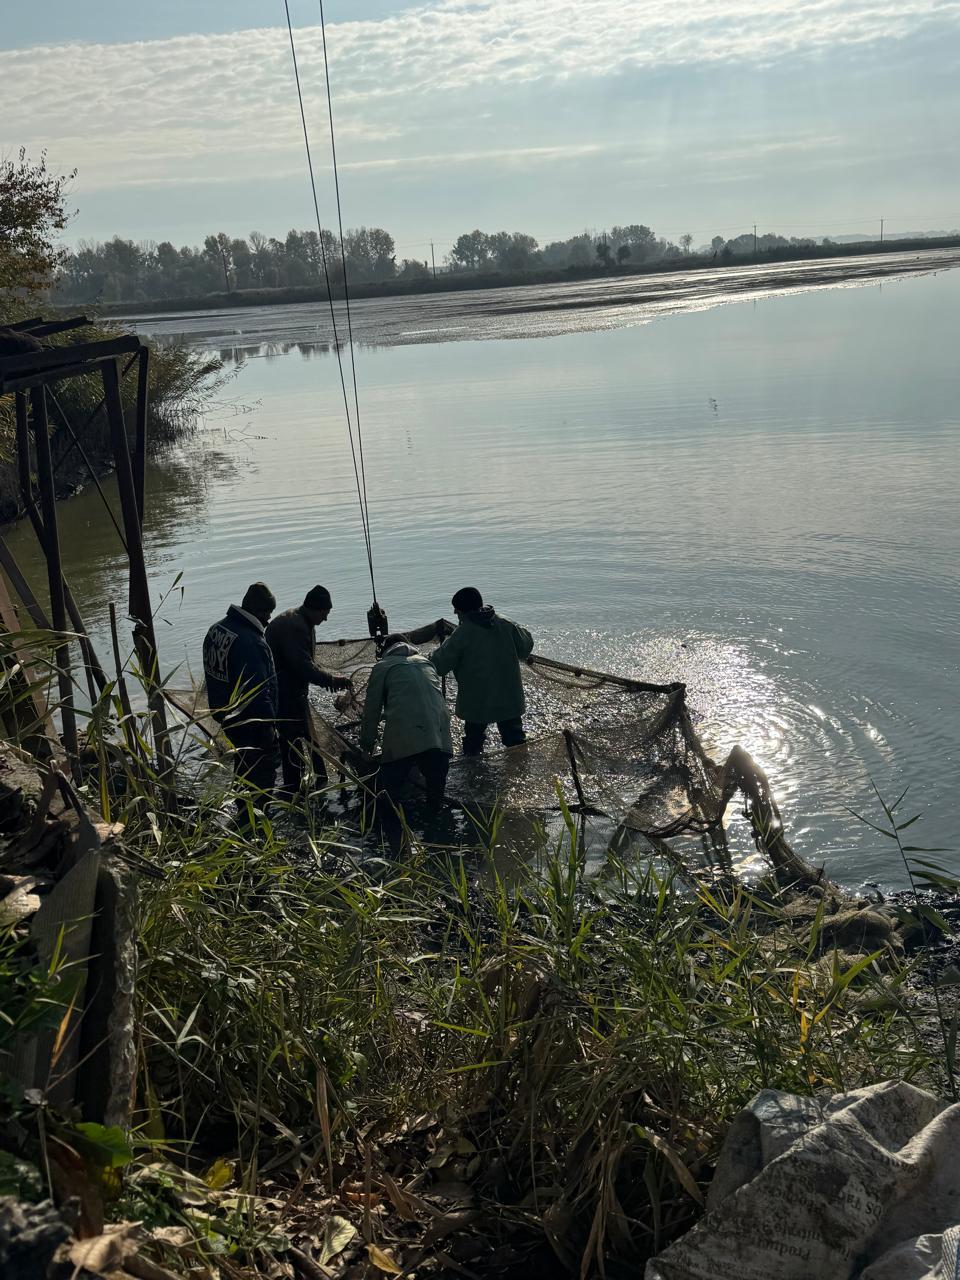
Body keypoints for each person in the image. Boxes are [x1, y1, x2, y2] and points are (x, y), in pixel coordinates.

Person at [360, 634, 453, 850]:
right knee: (435, 794)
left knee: (387, 794)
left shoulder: (382, 667)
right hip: (439, 737)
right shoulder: (426, 663)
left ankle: (397, 847)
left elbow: (371, 711)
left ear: (386, 651)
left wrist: (366, 746)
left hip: (405, 737)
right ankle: (438, 841)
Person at [265, 585, 351, 800]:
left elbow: (305, 664)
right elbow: (303, 666)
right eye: (325, 614)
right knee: (291, 742)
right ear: (314, 609)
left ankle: (316, 781)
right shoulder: (295, 626)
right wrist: (331, 680)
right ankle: (294, 790)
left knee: (308, 737)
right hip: (284, 695)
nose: (326, 619)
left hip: (291, 692)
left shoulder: (300, 620)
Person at [430, 587, 534, 755]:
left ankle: (473, 775)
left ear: (464, 611)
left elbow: (438, 665)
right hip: (509, 698)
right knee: (516, 742)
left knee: (473, 743)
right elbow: (526, 646)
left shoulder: (462, 634)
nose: (455, 613)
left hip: (477, 702)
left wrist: (427, 657)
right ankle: (520, 769)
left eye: (457, 610)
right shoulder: (506, 624)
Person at [202, 582, 280, 804]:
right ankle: (257, 825)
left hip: (226, 716)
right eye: (267, 613)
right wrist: (271, 727)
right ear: (257, 611)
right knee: (262, 779)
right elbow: (258, 691)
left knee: (244, 764)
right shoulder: (251, 642)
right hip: (253, 724)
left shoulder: (216, 630)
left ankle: (242, 815)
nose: (268, 620)